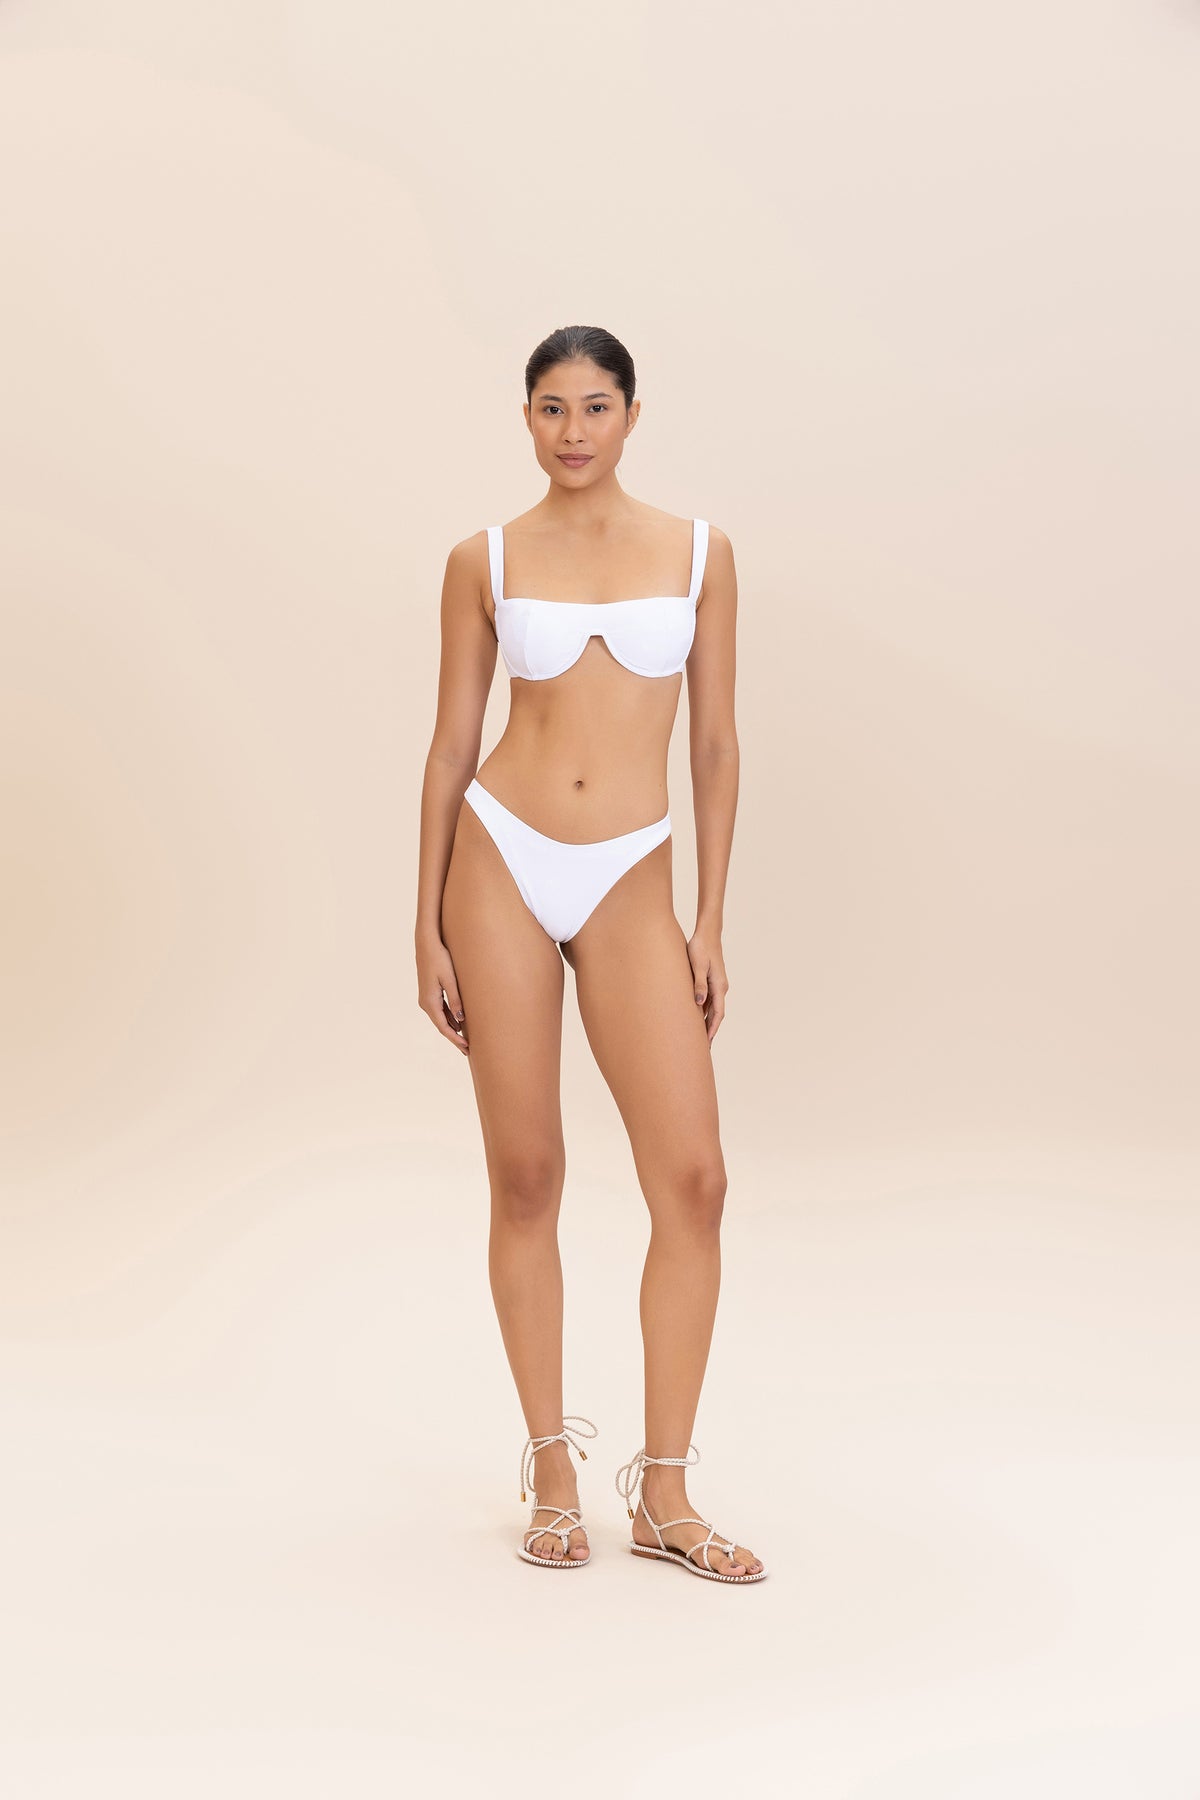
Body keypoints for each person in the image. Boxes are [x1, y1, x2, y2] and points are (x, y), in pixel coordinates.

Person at [414, 325, 766, 1583]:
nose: (574, 431)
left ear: (631, 415)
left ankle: (665, 1494)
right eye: (552, 408)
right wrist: (423, 922)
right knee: (526, 1175)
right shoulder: (485, 559)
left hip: (631, 875)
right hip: (500, 858)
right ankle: (552, 1469)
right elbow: (450, 747)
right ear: (526, 418)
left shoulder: (702, 553)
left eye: (597, 406)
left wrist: (709, 919)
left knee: (695, 1181)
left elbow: (715, 745)